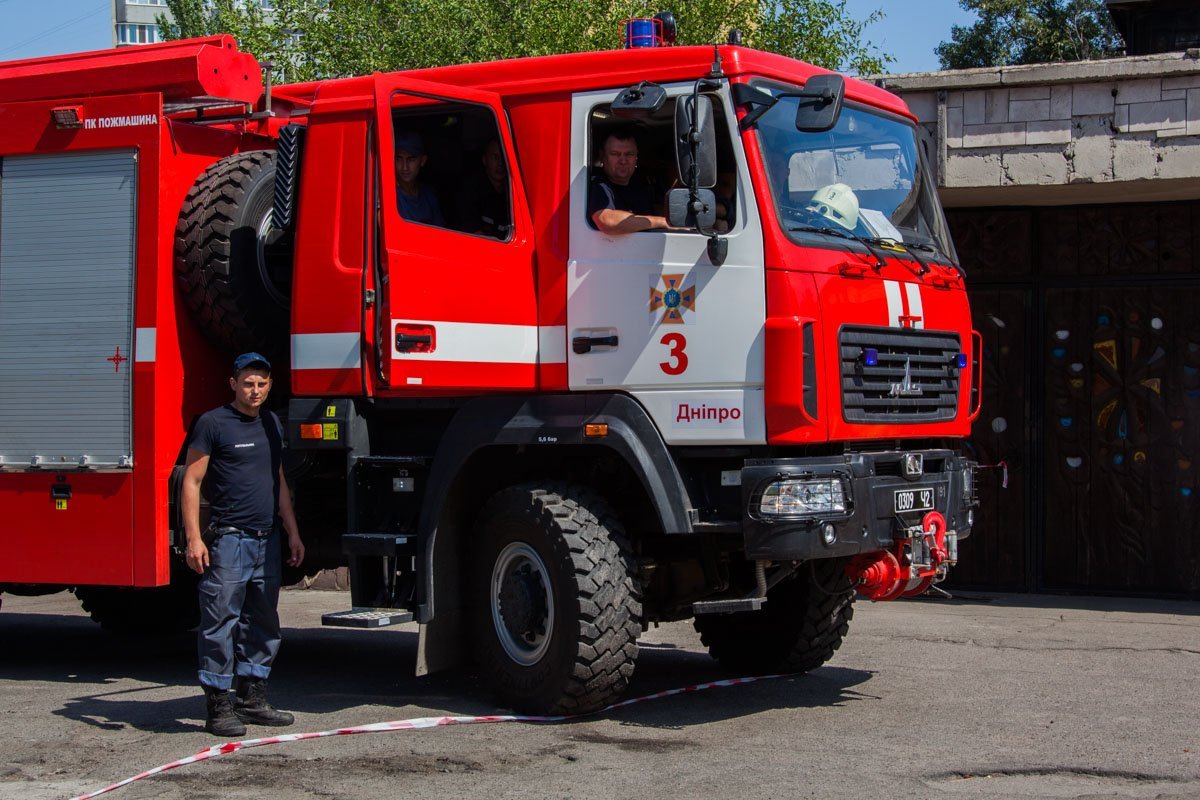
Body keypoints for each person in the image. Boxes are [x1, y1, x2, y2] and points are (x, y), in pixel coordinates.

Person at [182, 352, 305, 737]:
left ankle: (252, 699)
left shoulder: (270, 423)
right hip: (229, 540)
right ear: (233, 383)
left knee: (263, 622)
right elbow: (191, 481)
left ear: (270, 387)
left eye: (262, 384)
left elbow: (278, 480)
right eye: (248, 383)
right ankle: (218, 706)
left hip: (265, 540)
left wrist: (292, 530)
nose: (255, 390)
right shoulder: (212, 424)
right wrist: (194, 539)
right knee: (221, 623)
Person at [588, 129, 673, 234]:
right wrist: (664, 222)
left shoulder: (645, 182)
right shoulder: (597, 184)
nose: (623, 161)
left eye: (629, 154)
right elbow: (607, 221)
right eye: (615, 154)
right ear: (602, 156)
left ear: (636, 157)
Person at [451, 138, 511, 239]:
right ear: (484, 160)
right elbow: (471, 233)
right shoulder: (469, 191)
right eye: (495, 157)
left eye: (504, 158)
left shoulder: (515, 195)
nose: (500, 163)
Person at [394, 130, 445, 226]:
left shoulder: (428, 195)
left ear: (422, 160)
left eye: (411, 159)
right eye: (398, 159)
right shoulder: (389, 196)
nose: (404, 167)